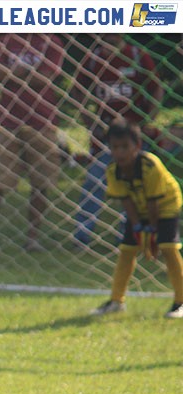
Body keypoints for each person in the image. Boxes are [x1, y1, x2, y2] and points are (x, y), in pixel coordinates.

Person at [70, 34, 163, 248]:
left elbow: (156, 86)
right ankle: (82, 234)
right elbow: (78, 90)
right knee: (94, 181)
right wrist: (90, 122)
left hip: (133, 135)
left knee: (135, 185)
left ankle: (127, 234)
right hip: (107, 136)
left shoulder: (137, 56)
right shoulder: (93, 59)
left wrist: (148, 120)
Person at [90, 124, 183, 319]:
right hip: (140, 210)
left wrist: (151, 231)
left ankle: (180, 301)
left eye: (125, 146)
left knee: (167, 246)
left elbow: (154, 201)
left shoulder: (150, 165)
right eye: (115, 147)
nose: (120, 152)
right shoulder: (113, 170)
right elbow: (126, 200)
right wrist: (138, 227)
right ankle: (116, 301)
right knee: (127, 249)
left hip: (165, 205)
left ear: (137, 145)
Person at [0, 34, 65, 252]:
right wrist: (29, 74)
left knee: (41, 183)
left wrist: (16, 75)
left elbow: (47, 76)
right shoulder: (6, 39)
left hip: (42, 120)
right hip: (8, 120)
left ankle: (32, 238)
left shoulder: (50, 40)